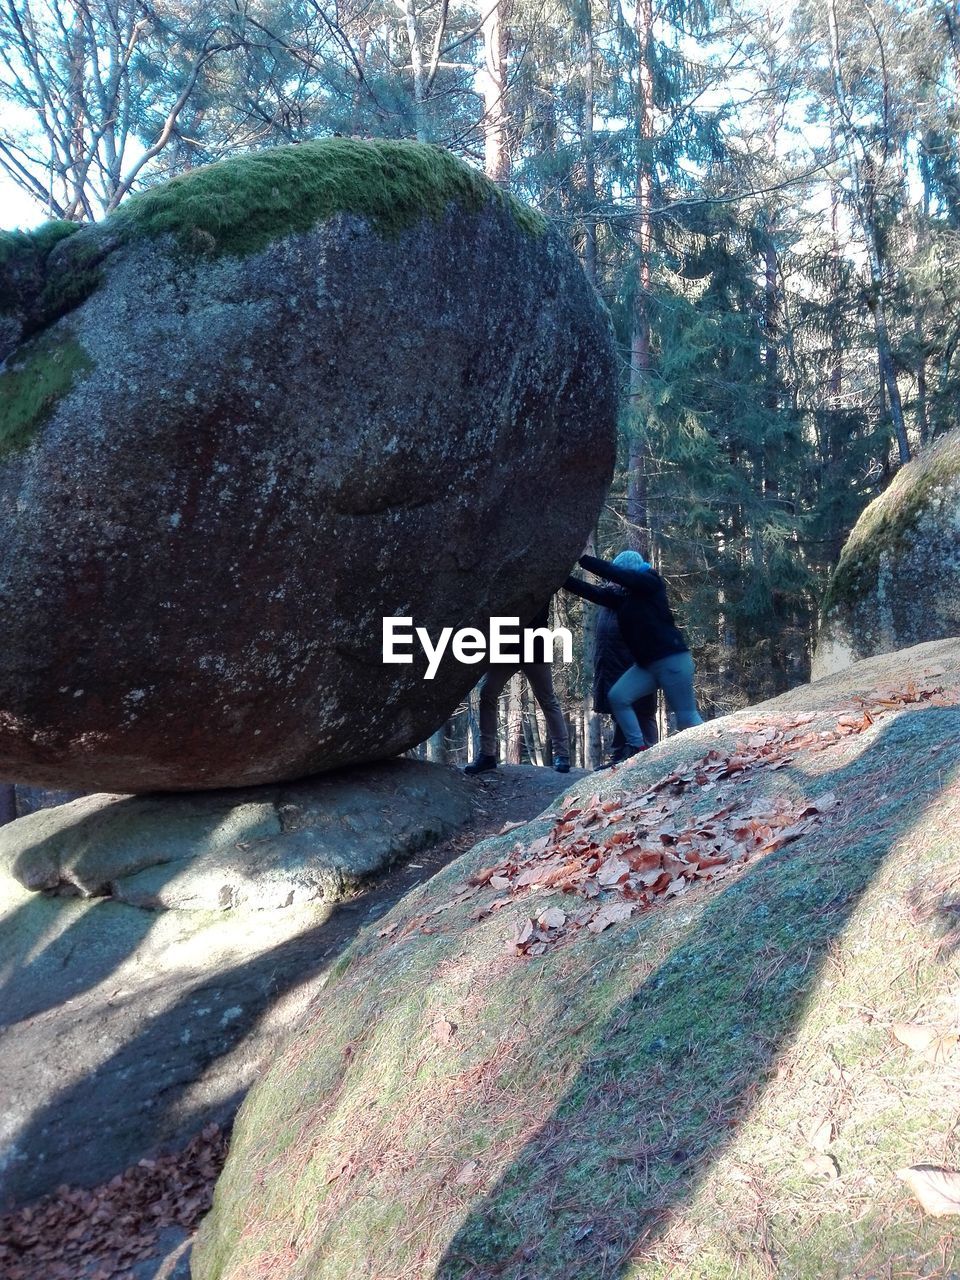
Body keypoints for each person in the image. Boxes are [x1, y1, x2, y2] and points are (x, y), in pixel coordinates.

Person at [565, 550, 702, 759]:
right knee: (618, 697)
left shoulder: (650, 583)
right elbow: (593, 593)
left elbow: (623, 577)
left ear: (628, 572)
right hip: (647, 665)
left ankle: (715, 753)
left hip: (672, 661)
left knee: (687, 718)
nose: (613, 582)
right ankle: (639, 750)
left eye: (617, 575)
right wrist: (560, 580)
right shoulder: (624, 598)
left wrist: (582, 558)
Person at [464, 600, 571, 775]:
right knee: (487, 693)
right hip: (507, 646)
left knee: (547, 699)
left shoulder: (543, 577)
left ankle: (563, 756)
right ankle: (487, 755)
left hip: (534, 645)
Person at [593, 601, 658, 765]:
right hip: (611, 667)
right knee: (618, 711)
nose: (611, 584)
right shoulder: (607, 605)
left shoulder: (640, 601)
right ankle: (620, 753)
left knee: (643, 711)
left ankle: (650, 756)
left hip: (635, 668)